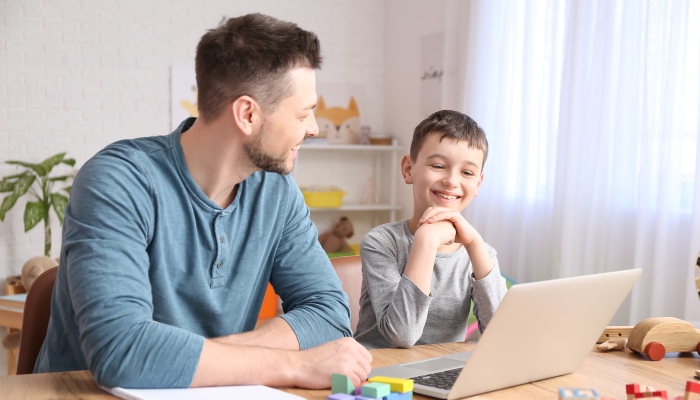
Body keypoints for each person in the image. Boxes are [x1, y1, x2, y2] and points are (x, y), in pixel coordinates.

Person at [34, 13, 372, 389]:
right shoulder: (118, 181)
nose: (312, 128)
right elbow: (122, 353)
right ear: (247, 114)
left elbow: (329, 314)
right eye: (304, 113)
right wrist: (293, 366)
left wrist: (187, 359)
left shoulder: (277, 191)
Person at [354, 110, 508, 349]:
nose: (451, 181)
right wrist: (426, 239)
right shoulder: (381, 242)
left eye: (466, 172)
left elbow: (503, 336)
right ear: (408, 169)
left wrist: (475, 244)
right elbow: (402, 335)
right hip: (379, 373)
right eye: (438, 165)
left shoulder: (481, 253)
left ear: (478, 183)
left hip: (441, 372)